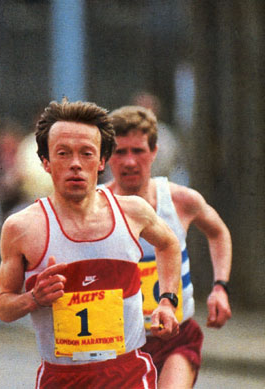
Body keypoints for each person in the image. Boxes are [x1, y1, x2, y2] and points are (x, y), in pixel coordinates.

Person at [0, 98, 182, 389]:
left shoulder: (133, 212)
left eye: (86, 154)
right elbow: (3, 307)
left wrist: (167, 302)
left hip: (127, 373)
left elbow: (169, 244)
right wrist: (34, 299)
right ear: (45, 162)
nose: (76, 165)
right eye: (63, 153)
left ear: (102, 161)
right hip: (62, 378)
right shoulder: (22, 227)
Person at [105, 105, 232, 388]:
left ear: (154, 152)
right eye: (119, 152)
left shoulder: (179, 201)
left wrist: (220, 287)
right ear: (106, 157)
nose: (129, 162)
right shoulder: (97, 207)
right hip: (119, 344)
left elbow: (218, 232)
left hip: (176, 336)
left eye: (137, 151)